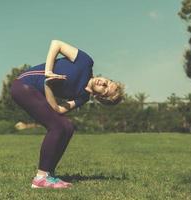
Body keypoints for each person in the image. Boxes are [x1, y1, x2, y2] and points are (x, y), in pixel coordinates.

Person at [10, 40, 124, 189]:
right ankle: (41, 178)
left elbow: (58, 109)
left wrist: (48, 86)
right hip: (23, 85)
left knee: (67, 127)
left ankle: (48, 175)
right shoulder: (85, 62)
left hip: (37, 91)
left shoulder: (82, 97)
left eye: (106, 88)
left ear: (100, 97)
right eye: (108, 82)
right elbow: (56, 44)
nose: (103, 83)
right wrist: (48, 72)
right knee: (57, 126)